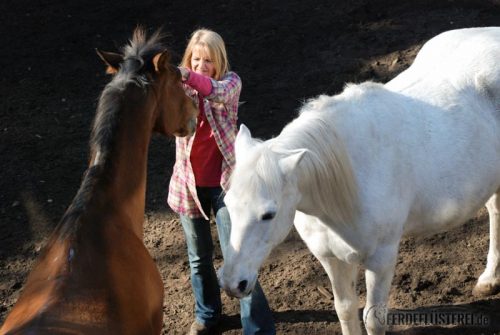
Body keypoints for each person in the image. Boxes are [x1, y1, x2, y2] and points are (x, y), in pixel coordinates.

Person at [168, 28, 276, 335]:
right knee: (198, 259)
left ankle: (257, 329)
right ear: (189, 58)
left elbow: (212, 91)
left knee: (238, 257)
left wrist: (185, 76)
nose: (202, 66)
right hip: (188, 186)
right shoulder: (181, 88)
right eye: (196, 59)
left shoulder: (229, 84)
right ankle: (207, 315)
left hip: (226, 187)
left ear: (219, 63)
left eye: (208, 61)